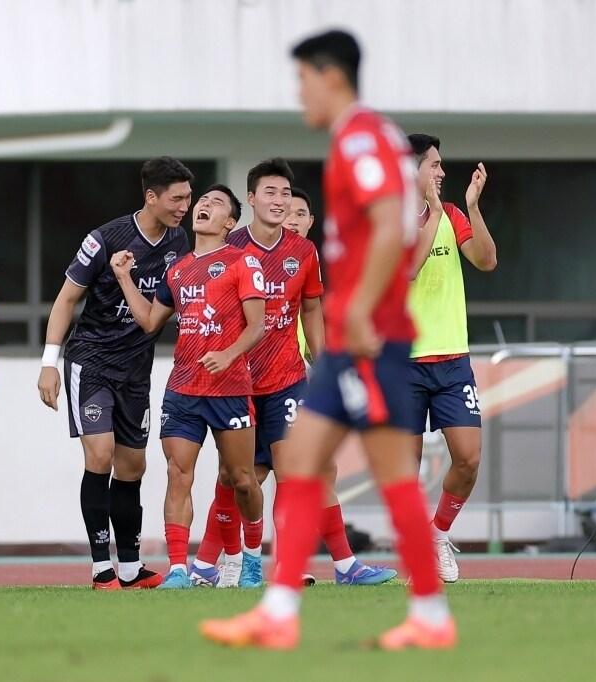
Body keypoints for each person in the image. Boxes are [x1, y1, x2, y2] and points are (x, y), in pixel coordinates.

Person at [200, 30, 455, 651]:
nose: (299, 94)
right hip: (362, 337)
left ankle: (419, 614)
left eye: (302, 81)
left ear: (330, 75)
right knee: (308, 464)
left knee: (359, 471)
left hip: (367, 337)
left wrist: (363, 307)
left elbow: (388, 217)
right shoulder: (368, 136)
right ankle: (290, 611)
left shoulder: (360, 136)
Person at [193, 164, 396, 588]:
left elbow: (310, 309)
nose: (279, 200)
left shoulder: (303, 253)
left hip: (286, 380)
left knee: (300, 471)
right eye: (270, 192)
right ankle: (208, 565)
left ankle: (330, 565)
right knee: (237, 477)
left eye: (285, 193)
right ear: (251, 199)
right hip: (238, 383)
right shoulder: (227, 248)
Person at [37, 157, 192, 589]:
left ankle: (128, 566)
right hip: (91, 362)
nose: (183, 206)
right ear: (151, 197)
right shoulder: (105, 238)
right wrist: (49, 363)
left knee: (133, 467)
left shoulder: (179, 242)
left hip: (135, 370)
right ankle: (99, 567)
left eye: (188, 198)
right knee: (100, 456)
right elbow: (67, 299)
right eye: (176, 198)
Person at [109, 184, 266, 590]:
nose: (204, 207)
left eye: (216, 204)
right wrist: (124, 278)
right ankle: (179, 567)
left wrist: (229, 354)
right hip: (184, 389)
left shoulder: (242, 261)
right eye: (203, 202)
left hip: (230, 387)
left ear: (230, 222)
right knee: (178, 473)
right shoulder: (176, 269)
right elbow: (149, 321)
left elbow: (258, 325)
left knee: (242, 478)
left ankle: (251, 559)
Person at [406, 133, 497, 583]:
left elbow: (485, 261)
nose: (441, 172)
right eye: (433, 165)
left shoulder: (453, 214)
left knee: (468, 457)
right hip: (401, 362)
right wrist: (433, 214)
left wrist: (472, 208)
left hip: (452, 359)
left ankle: (437, 534)